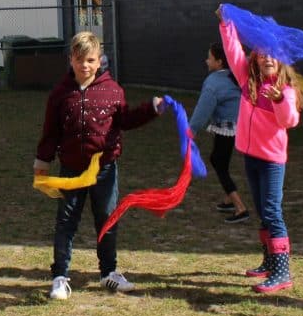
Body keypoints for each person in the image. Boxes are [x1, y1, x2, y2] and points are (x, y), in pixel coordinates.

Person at [34, 31, 164, 300]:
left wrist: (151, 109)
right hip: (71, 170)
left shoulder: (112, 90)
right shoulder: (60, 94)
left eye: (90, 60)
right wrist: (42, 163)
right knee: (66, 221)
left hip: (104, 170)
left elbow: (126, 119)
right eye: (79, 59)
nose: (85, 65)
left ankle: (108, 272)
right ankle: (60, 276)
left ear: (99, 60)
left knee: (107, 218)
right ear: (71, 59)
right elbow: (51, 132)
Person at [217, 5, 303, 293]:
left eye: (273, 54)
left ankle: (282, 272)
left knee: (272, 211)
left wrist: (278, 99)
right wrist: (226, 25)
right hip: (251, 156)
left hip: (271, 161)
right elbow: (233, 51)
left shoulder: (285, 90)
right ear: (255, 57)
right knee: (262, 210)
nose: (267, 57)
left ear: (281, 61)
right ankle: (268, 262)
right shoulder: (248, 81)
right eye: (262, 52)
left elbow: (289, 121)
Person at [188, 42, 247, 223]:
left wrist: (192, 129)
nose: (206, 61)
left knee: (218, 162)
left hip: (227, 128)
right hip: (239, 126)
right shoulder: (235, 75)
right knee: (221, 160)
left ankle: (240, 207)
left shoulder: (214, 82)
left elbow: (203, 109)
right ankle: (229, 200)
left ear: (219, 61)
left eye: (209, 58)